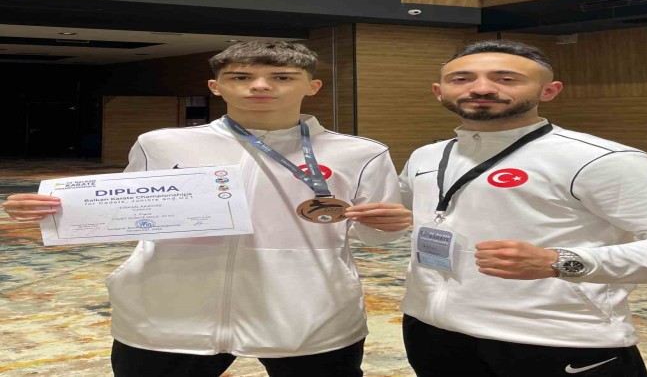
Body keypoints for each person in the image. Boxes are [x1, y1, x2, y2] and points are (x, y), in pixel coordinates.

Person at [3, 40, 412, 377]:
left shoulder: (360, 153)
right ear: (216, 87)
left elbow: (375, 236)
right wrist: (53, 211)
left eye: (282, 77)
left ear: (313, 86)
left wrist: (389, 225)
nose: (260, 86)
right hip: (170, 311)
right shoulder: (161, 144)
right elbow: (126, 213)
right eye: (241, 77)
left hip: (306, 311)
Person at [399, 39, 647, 377]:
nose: (481, 88)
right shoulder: (427, 156)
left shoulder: (599, 159)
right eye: (462, 79)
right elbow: (413, 211)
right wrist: (390, 216)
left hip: (555, 338)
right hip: (432, 330)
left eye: (506, 79)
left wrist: (559, 261)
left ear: (549, 91)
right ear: (439, 91)